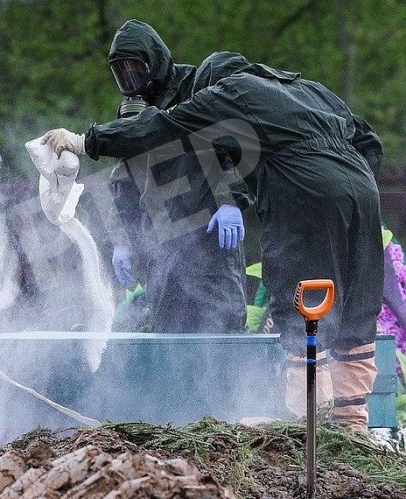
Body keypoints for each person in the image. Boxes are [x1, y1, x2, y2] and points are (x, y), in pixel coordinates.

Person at [42, 51, 384, 432]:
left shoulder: (229, 92)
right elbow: (369, 140)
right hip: (363, 192)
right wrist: (345, 189)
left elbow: (160, 127)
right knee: (355, 306)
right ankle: (352, 425)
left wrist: (84, 140)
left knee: (302, 302)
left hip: (305, 194)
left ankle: (307, 424)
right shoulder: (310, 90)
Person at [104, 20, 249, 333]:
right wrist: (122, 240)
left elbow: (232, 145)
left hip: (211, 238)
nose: (131, 81)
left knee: (221, 332)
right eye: (121, 74)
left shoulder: (197, 86)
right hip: (163, 248)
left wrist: (231, 201)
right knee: (169, 340)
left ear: (153, 62)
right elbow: (123, 181)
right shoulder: (132, 113)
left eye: (136, 70)